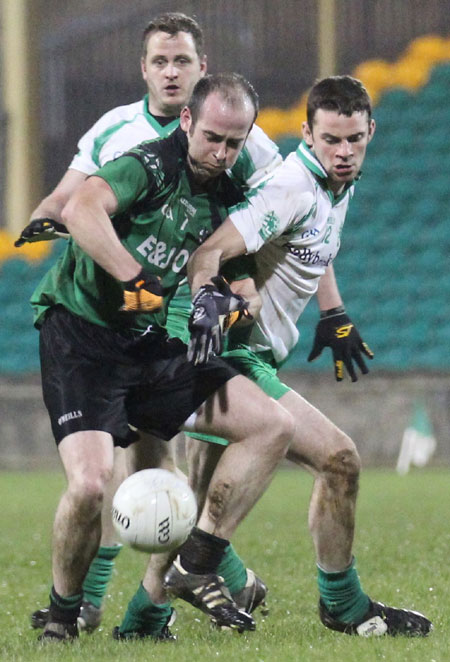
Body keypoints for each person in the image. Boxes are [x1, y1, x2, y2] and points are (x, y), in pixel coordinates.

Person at [16, 12, 281, 635]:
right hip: (80, 334)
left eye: (234, 143)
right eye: (213, 138)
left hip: (147, 340)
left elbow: (239, 276)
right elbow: (79, 205)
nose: (221, 153)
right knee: (88, 486)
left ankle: (199, 567)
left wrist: (229, 301)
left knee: (269, 425)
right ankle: (65, 614)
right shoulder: (146, 159)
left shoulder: (233, 181)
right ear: (188, 117)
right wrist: (134, 275)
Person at [183, 75, 433, 637]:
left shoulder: (335, 184)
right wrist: (206, 302)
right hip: (231, 352)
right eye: (329, 141)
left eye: (353, 140)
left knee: (193, 492)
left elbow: (316, 245)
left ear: (371, 130)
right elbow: (211, 252)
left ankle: (154, 614)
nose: (342, 153)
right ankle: (343, 606)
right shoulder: (291, 187)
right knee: (339, 459)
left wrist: (333, 312)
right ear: (306, 133)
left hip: (254, 353)